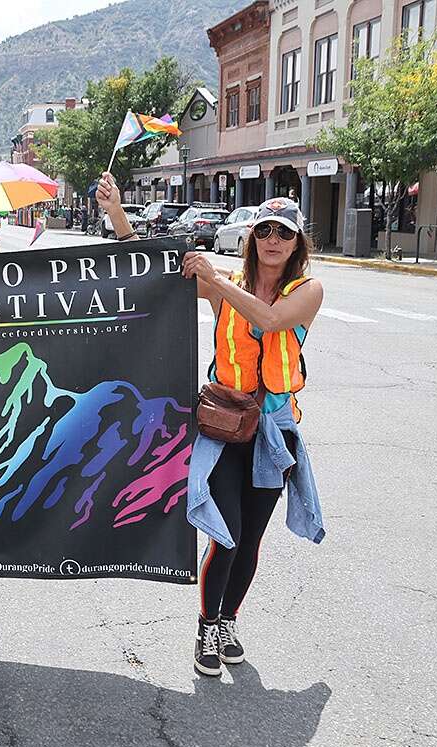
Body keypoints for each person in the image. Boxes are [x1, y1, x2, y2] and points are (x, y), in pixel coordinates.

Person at [98, 174, 326, 678]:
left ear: (296, 243)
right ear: (252, 238)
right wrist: (117, 214)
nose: (273, 241)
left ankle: (228, 620)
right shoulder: (231, 287)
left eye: (283, 233)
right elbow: (150, 266)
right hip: (224, 426)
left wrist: (218, 281)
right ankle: (207, 625)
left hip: (272, 433)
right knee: (225, 533)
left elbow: (269, 321)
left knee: (250, 541)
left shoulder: (307, 290)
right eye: (264, 231)